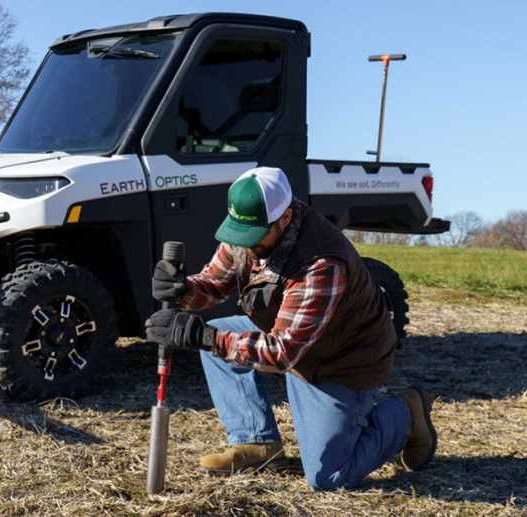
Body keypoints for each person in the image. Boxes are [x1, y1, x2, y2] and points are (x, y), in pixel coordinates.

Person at [145, 167, 437, 491]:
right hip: (294, 337)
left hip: (342, 361)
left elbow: (282, 353)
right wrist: (184, 290)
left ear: (284, 218)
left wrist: (205, 338)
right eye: (239, 232)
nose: (245, 243)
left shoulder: (320, 263)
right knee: (218, 336)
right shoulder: (248, 231)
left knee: (329, 478)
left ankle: (405, 413)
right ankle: (257, 443)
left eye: (254, 235)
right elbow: (214, 282)